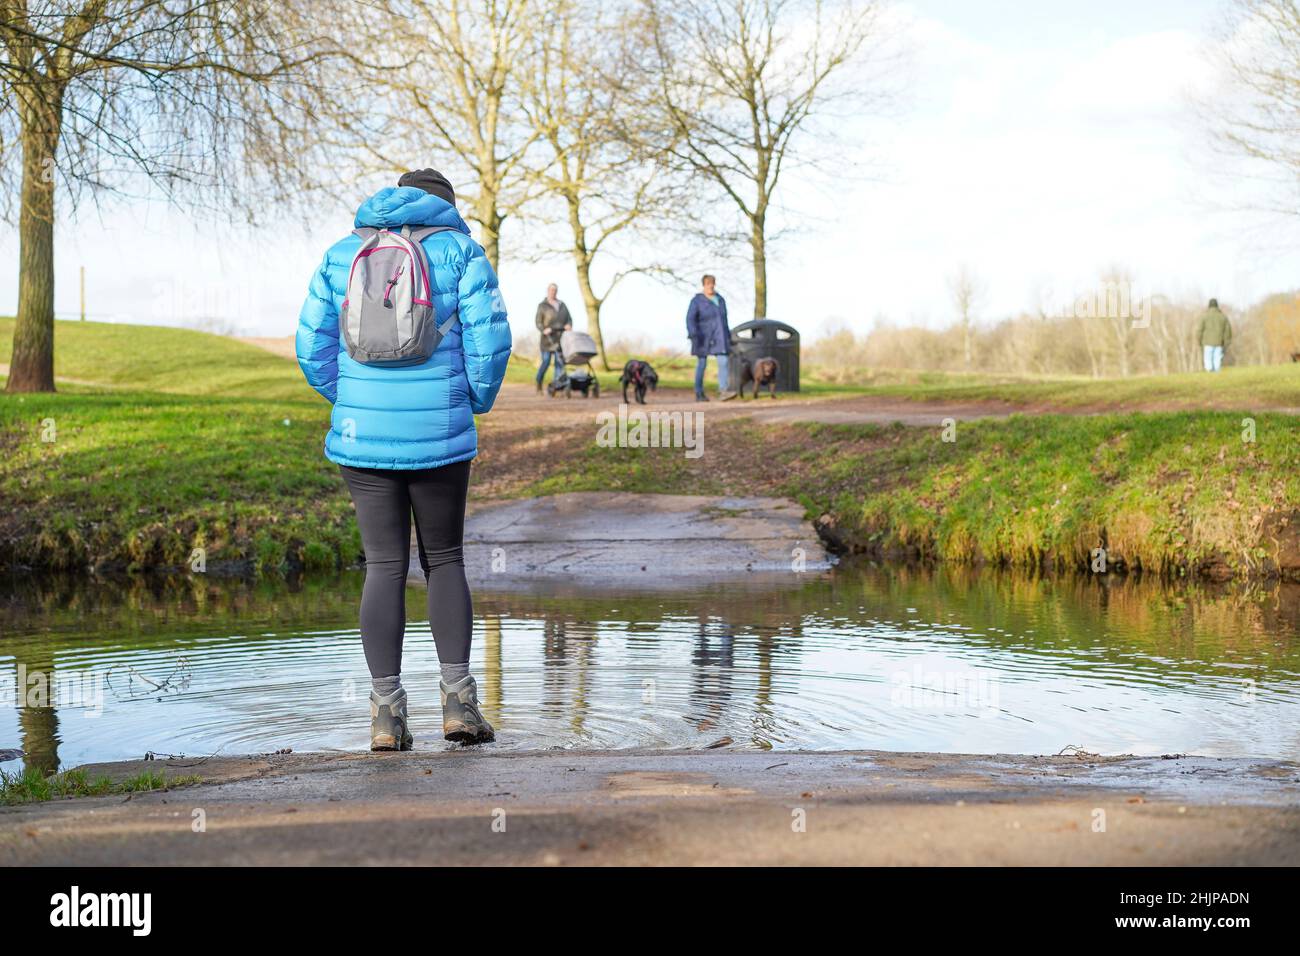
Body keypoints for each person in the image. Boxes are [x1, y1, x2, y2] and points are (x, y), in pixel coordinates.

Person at [296, 167, 512, 751]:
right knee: (443, 559)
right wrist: (473, 402)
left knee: (383, 565)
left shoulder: (343, 253)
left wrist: (346, 399)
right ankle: (459, 708)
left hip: (362, 438)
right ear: (443, 206)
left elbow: (311, 343)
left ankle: (385, 719)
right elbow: (490, 341)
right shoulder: (464, 253)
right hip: (439, 432)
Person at [686, 274, 736, 401]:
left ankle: (723, 391)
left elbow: (725, 320)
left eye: (712, 283)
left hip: (719, 336)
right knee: (702, 364)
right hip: (702, 337)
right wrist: (692, 333)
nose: (711, 286)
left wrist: (728, 337)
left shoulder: (720, 300)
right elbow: (690, 318)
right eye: (708, 284)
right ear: (704, 285)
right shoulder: (697, 301)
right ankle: (699, 392)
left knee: (723, 362)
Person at [534, 283, 572, 393]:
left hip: (560, 339)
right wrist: (544, 329)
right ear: (547, 291)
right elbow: (538, 322)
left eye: (555, 290)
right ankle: (539, 381)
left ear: (557, 292)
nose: (553, 292)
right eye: (551, 290)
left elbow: (569, 319)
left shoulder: (562, 305)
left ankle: (557, 385)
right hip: (547, 340)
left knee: (559, 363)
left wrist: (569, 325)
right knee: (545, 362)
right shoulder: (542, 305)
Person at [1196, 298, 1231, 372]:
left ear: (1209, 306)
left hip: (1207, 342)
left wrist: (1199, 341)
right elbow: (1228, 331)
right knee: (1217, 360)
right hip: (1219, 342)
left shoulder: (1204, 316)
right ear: (1217, 306)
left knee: (1208, 359)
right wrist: (1226, 342)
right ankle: (1216, 374)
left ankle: (1209, 374)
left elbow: (1199, 330)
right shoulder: (1223, 317)